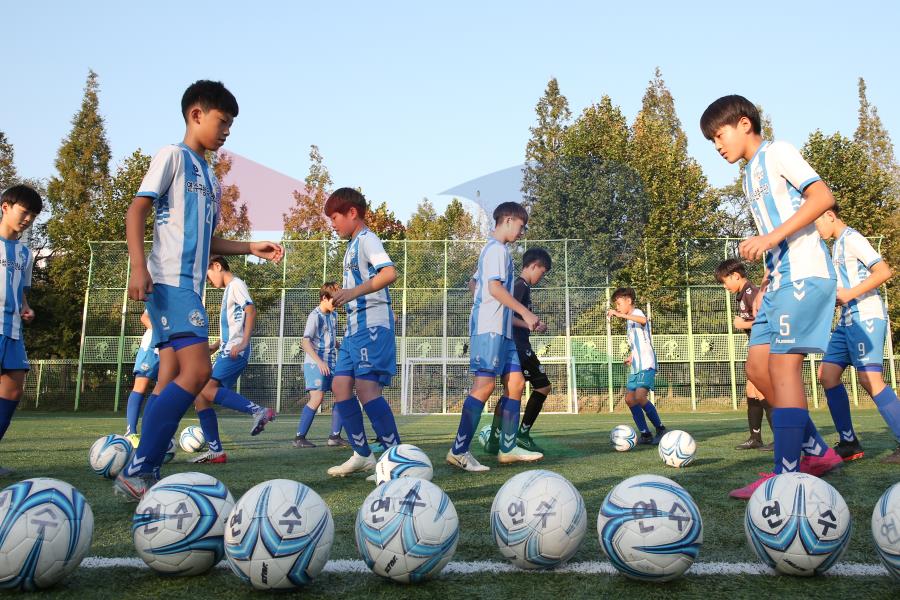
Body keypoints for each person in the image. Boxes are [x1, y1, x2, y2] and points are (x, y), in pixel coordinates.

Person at [115, 80, 283, 500]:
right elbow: (137, 209)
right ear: (196, 115)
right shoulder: (172, 156)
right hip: (168, 281)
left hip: (188, 287)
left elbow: (206, 239)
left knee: (172, 375)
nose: (227, 132)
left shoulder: (209, 176)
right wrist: (139, 267)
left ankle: (145, 465)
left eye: (230, 125)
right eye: (222, 122)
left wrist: (249, 248)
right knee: (198, 372)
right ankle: (140, 468)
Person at [700, 94, 842, 499]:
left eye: (719, 135)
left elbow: (822, 197)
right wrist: (764, 282)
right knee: (757, 370)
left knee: (781, 370)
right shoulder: (747, 176)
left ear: (744, 124)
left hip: (805, 275)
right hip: (778, 282)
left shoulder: (778, 152)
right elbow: (775, 236)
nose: (717, 145)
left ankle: (786, 475)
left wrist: (769, 238)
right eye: (712, 141)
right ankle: (815, 450)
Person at [446, 201, 543, 472]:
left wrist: (480, 298)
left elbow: (474, 283)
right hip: (489, 328)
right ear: (509, 220)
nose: (522, 232)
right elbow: (495, 289)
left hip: (502, 331)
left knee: (516, 384)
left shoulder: (493, 251)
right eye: (521, 226)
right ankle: (459, 450)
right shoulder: (497, 250)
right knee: (485, 386)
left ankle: (508, 448)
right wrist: (527, 314)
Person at [323, 188, 402, 477]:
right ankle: (363, 454)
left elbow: (389, 272)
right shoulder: (352, 245)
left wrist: (353, 292)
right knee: (340, 386)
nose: (333, 224)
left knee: (367, 389)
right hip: (354, 330)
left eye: (334, 217)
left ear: (352, 213)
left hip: (371, 326)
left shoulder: (369, 240)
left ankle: (396, 459)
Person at [815, 206, 900, 464]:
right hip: (846, 321)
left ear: (830, 214)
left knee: (870, 379)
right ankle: (849, 443)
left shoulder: (853, 238)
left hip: (867, 317)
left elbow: (884, 271)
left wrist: (851, 294)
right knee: (827, 375)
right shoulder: (836, 245)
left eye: (816, 221)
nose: (816, 229)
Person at [190, 256, 277, 464]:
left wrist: (244, 341)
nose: (209, 281)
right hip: (228, 348)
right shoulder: (230, 290)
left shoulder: (236, 284)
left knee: (206, 390)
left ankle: (259, 411)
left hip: (235, 349)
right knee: (202, 398)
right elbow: (235, 322)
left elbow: (250, 310)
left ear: (217, 266)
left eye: (209, 275)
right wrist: (215, 345)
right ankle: (216, 451)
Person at [484, 247, 552, 454]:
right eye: (542, 271)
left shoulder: (521, 286)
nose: (542, 276)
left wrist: (533, 323)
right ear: (533, 266)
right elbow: (505, 316)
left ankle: (495, 439)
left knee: (510, 391)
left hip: (517, 344)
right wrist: (528, 324)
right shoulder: (520, 285)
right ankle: (522, 435)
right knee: (543, 387)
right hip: (518, 346)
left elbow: (516, 317)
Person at [0, 185, 41, 477]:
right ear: (5, 207)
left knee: (13, 390)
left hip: (12, 330)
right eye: (24, 211)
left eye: (33, 215)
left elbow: (21, 291)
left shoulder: (25, 253)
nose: (28, 219)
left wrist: (26, 308)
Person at [715, 258, 773, 450]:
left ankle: (781, 435)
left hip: (765, 346)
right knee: (751, 391)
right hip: (756, 345)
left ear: (735, 276)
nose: (725, 286)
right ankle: (755, 438)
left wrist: (743, 324)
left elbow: (768, 321)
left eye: (725, 282)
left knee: (762, 390)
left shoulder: (752, 293)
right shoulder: (742, 295)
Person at [607, 287, 667, 445]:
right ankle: (645, 433)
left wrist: (619, 314)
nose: (617, 307)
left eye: (619, 304)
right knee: (629, 399)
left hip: (646, 364)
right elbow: (639, 342)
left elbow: (643, 320)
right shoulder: (629, 321)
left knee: (640, 397)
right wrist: (631, 356)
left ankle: (660, 428)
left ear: (628, 301)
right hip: (636, 365)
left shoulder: (637, 313)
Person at [293, 281, 347, 448]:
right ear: (324, 298)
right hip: (315, 364)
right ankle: (299, 438)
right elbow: (305, 342)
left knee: (343, 395)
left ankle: (335, 436)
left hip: (332, 363)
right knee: (317, 398)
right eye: (334, 301)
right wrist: (319, 362)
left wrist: (343, 347)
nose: (337, 304)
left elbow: (331, 340)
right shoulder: (314, 316)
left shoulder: (334, 316)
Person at [124, 310, 159, 446]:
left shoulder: (186, 298)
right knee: (140, 387)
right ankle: (131, 432)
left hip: (170, 349)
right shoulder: (161, 291)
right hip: (151, 347)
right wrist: (161, 333)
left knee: (162, 390)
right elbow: (145, 318)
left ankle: (150, 433)